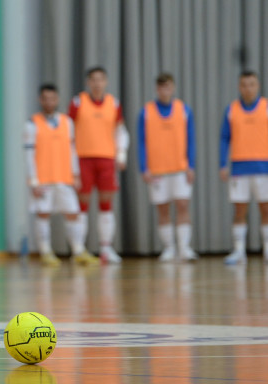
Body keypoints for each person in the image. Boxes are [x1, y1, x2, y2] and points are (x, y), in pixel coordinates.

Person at [24, 85, 97, 267]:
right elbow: (28, 155)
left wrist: (76, 174)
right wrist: (33, 181)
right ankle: (45, 251)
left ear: (57, 99)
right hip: (43, 179)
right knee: (43, 214)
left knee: (73, 213)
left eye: (52, 98)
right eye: (45, 98)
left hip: (64, 176)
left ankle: (78, 250)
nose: (49, 102)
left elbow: (72, 150)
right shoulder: (32, 124)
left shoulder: (67, 122)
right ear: (40, 100)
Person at [68, 67, 129, 264]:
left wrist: (121, 154)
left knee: (106, 204)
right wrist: (70, 161)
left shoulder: (114, 103)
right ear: (87, 82)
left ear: (106, 82)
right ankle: (79, 249)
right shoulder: (78, 103)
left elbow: (121, 131)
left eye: (100, 80)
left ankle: (105, 249)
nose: (97, 84)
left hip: (106, 159)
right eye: (93, 80)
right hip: (83, 158)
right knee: (81, 205)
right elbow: (67, 133)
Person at [138, 73, 198, 262]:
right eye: (161, 87)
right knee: (162, 209)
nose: (165, 91)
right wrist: (143, 167)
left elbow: (191, 139)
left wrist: (191, 165)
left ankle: (184, 248)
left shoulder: (184, 110)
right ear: (157, 89)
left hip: (179, 168)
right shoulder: (146, 112)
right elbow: (141, 141)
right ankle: (169, 248)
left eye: (168, 87)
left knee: (182, 205)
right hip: (157, 170)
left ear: (173, 88)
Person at [220, 70, 268, 265]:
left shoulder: (265, 107)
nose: (248, 88)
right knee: (239, 211)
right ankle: (239, 251)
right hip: (240, 168)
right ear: (239, 87)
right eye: (244, 85)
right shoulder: (232, 110)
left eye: (252, 84)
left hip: (263, 167)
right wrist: (222, 163)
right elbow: (224, 138)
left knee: (266, 209)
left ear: (257, 86)